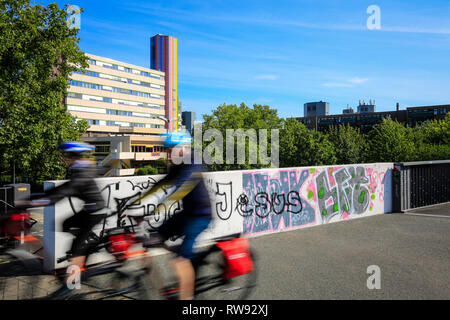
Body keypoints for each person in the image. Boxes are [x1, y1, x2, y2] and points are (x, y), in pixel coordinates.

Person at [16, 141, 105, 294]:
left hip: (94, 212)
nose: (64, 159)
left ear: (73, 157)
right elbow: (60, 189)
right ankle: (85, 243)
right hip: (90, 209)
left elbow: (64, 192)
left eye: (66, 156)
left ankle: (70, 286)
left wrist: (37, 202)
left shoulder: (82, 173)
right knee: (64, 223)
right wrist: (33, 198)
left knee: (77, 248)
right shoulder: (81, 168)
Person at [140, 132, 212, 300]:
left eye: (169, 150)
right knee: (153, 239)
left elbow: (179, 190)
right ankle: (186, 258)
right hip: (186, 214)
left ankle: (188, 299)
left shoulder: (194, 162)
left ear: (181, 150)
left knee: (179, 261)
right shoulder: (178, 165)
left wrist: (154, 211)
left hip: (201, 216)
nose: (167, 154)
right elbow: (160, 185)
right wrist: (132, 203)